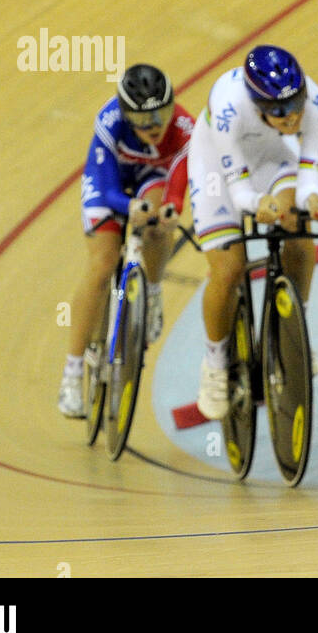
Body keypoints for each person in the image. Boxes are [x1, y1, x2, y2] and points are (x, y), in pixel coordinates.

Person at [187, 44, 318, 420]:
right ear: (257, 106)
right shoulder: (228, 108)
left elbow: (308, 175)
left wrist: (313, 200)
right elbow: (239, 193)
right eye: (280, 111)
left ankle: (291, 331)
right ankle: (215, 364)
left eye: (296, 103)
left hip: (271, 156)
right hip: (216, 167)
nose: (293, 116)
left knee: (299, 233)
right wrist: (259, 205)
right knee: (229, 268)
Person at [58, 64, 193, 417]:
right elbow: (104, 187)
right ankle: (71, 375)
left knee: (160, 220)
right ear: (126, 115)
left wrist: (172, 208)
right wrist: (127, 206)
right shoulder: (110, 121)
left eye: (160, 116)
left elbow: (180, 181)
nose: (153, 127)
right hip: (110, 181)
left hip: (154, 176)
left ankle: (152, 288)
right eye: (143, 121)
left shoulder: (183, 128)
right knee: (102, 266)